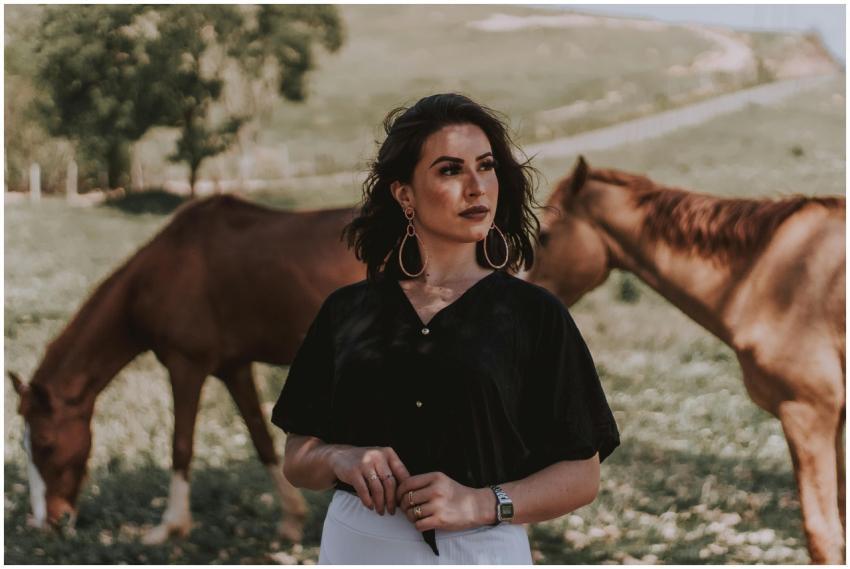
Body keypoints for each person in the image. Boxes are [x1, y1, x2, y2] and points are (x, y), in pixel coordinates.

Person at [270, 93, 621, 564]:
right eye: (451, 170)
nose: (477, 187)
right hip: (359, 547)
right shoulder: (346, 311)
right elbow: (298, 458)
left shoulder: (535, 315)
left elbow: (583, 476)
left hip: (480, 550)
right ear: (405, 195)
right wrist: (339, 458)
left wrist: (481, 502)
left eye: (486, 166)